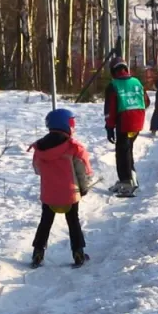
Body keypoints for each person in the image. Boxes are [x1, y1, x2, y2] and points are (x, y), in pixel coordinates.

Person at [30, 108, 93, 267]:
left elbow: (37, 169)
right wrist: (84, 188)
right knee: (73, 221)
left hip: (49, 194)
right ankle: (78, 253)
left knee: (45, 221)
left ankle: (38, 253)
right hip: (70, 194)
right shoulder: (74, 147)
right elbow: (82, 171)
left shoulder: (40, 147)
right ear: (68, 125)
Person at [104, 60, 148, 194]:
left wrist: (109, 127)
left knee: (122, 151)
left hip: (124, 121)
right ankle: (129, 177)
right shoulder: (136, 82)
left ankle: (126, 180)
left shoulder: (113, 85)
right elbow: (146, 101)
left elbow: (110, 109)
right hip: (138, 120)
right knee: (127, 148)